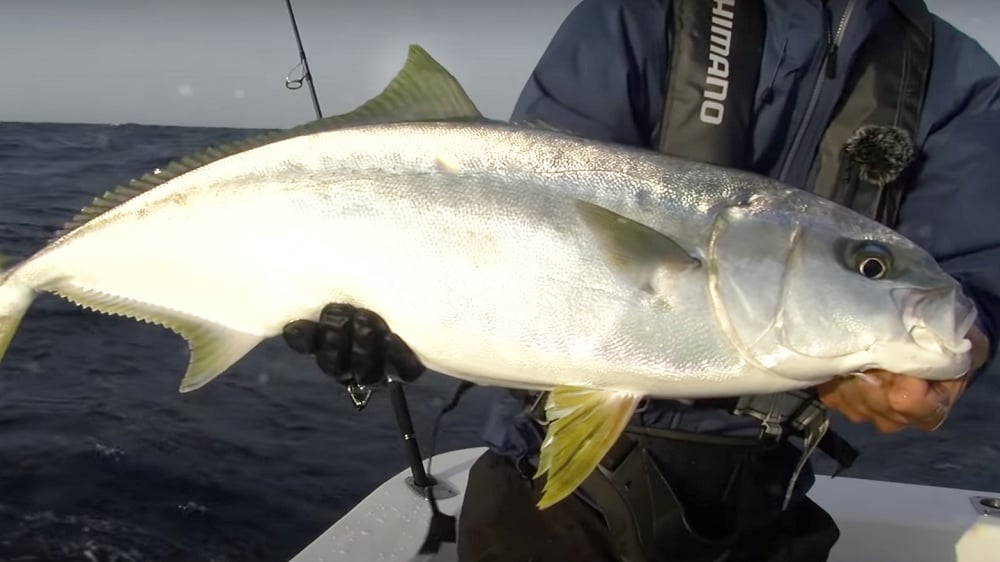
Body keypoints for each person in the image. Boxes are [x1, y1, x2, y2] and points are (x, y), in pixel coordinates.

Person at [282, 1, 1000, 560]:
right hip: (545, 503)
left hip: (764, 501)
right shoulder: (640, 15)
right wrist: (389, 307)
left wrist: (972, 348)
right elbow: (525, 211)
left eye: (868, 266)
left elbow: (976, 271)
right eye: (867, 266)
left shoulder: (953, 77)